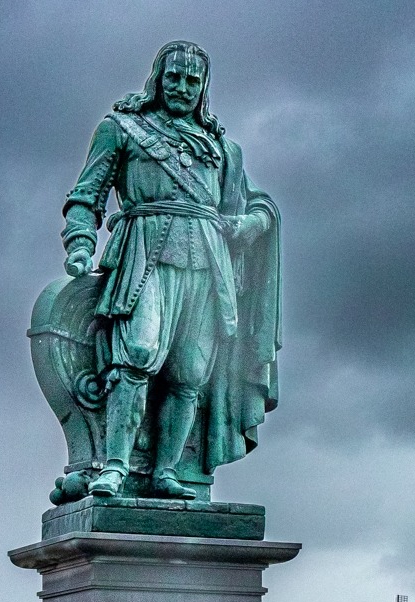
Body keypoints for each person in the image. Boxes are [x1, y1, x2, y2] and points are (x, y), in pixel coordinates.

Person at [61, 40, 280, 501]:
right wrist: (80, 243)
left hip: (208, 262)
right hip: (144, 253)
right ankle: (115, 467)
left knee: (190, 373)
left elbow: (260, 205)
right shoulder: (122, 128)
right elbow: (86, 196)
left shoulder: (222, 148)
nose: (182, 87)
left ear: (203, 88)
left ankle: (166, 471)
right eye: (173, 77)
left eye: (192, 80)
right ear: (157, 80)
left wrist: (249, 224)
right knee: (137, 353)